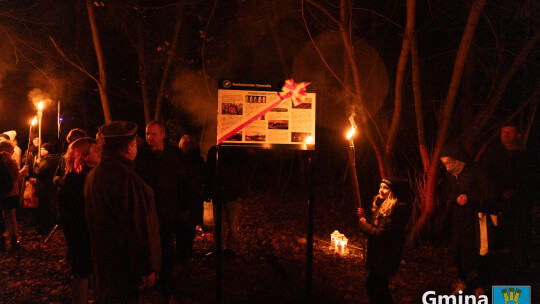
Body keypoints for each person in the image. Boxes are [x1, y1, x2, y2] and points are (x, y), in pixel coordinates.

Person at [85, 121, 160, 303]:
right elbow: (134, 228)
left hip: (104, 264)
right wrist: (145, 268)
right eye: (135, 144)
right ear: (129, 147)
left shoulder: (94, 174)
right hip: (124, 271)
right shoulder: (126, 180)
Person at [478, 124, 539, 283]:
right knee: (493, 241)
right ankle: (491, 276)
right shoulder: (493, 153)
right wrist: (497, 193)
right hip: (495, 204)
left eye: (509, 132)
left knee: (517, 241)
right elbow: (486, 177)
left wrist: (523, 196)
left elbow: (531, 180)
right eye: (503, 131)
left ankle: (516, 276)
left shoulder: (526, 156)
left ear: (518, 135)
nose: (504, 134)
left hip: (519, 205)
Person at [134, 120, 187, 299]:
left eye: (153, 134)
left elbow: (182, 182)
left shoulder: (174, 154)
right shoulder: (141, 155)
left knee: (166, 244)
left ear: (163, 135)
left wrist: (184, 205)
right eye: (147, 133)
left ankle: (166, 279)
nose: (149, 137)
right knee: (149, 244)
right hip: (149, 209)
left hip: (169, 208)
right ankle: (151, 277)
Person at [439, 145, 495, 295]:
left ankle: (480, 286)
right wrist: (455, 198)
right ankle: (462, 281)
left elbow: (489, 194)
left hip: (476, 219)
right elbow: (447, 192)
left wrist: (469, 198)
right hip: (458, 220)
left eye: (450, 163)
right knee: (460, 252)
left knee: (478, 251)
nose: (448, 167)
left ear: (459, 160)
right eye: (445, 164)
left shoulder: (475, 171)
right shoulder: (451, 174)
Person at [58, 137, 101, 304]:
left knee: (98, 272)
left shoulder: (99, 175)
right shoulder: (73, 181)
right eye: (95, 149)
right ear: (83, 155)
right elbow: (73, 212)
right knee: (82, 273)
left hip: (97, 233)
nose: (99, 151)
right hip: (81, 234)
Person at [356, 177, 412, 304]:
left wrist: (364, 225)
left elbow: (381, 234)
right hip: (379, 255)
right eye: (381, 187)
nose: (381, 190)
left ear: (393, 191)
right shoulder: (383, 205)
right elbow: (379, 226)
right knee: (376, 286)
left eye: (386, 188)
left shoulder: (395, 210)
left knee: (376, 287)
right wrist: (365, 218)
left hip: (385, 256)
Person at [205, 145, 248, 256]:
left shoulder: (237, 150)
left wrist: (241, 193)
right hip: (218, 194)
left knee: (232, 224)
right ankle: (219, 248)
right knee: (219, 224)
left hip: (232, 194)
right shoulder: (214, 150)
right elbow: (208, 172)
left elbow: (243, 172)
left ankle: (231, 249)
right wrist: (209, 191)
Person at [176, 135, 205, 262]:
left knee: (181, 229)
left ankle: (182, 255)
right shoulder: (199, 161)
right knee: (189, 230)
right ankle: (187, 254)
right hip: (195, 201)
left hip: (183, 200)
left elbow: (181, 182)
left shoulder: (180, 161)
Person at [0, 141, 28, 251]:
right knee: (11, 217)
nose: (13, 151)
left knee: (1, 217)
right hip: (11, 193)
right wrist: (23, 171)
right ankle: (13, 242)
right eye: (12, 149)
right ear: (7, 149)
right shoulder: (11, 162)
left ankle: (2, 242)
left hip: (1, 192)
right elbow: (15, 177)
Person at [31, 142, 60, 235]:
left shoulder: (47, 160)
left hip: (44, 186)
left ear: (48, 150)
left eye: (44, 149)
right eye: (41, 149)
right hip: (50, 186)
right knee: (48, 206)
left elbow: (39, 172)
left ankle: (44, 227)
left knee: (44, 207)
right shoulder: (55, 158)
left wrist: (37, 164)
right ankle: (49, 225)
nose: (41, 150)